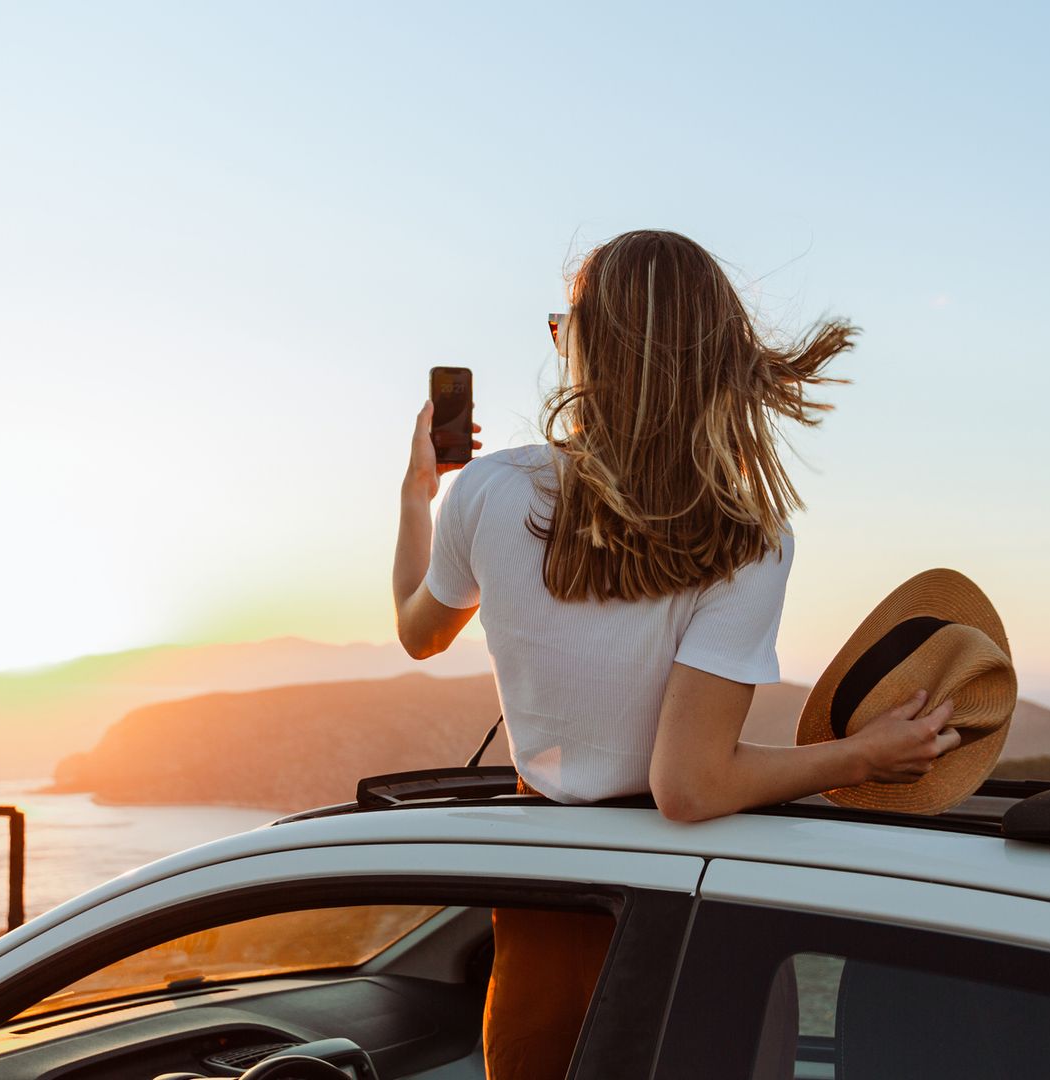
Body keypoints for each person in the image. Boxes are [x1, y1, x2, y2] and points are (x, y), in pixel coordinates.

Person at [390, 229, 961, 1080]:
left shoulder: (487, 492)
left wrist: (416, 494)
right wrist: (861, 757)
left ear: (589, 349)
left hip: (546, 911)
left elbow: (418, 631)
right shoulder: (748, 538)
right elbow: (691, 788)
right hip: (694, 910)